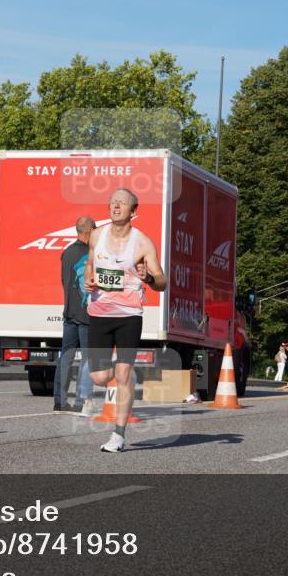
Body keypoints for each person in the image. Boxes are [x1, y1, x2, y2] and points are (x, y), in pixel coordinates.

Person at [85, 188, 166, 453]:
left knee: (122, 374)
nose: (115, 206)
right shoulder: (97, 235)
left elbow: (162, 282)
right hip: (99, 312)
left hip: (129, 315)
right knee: (99, 377)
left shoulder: (142, 243)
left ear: (134, 211)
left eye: (122, 203)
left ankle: (118, 435)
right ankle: (121, 377)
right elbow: (90, 264)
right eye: (112, 202)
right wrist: (88, 279)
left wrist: (148, 278)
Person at [53, 216, 96, 414]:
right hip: (87, 314)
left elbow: (64, 281)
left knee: (66, 357)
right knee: (88, 359)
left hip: (69, 311)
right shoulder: (91, 254)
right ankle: (81, 401)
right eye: (94, 231)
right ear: (88, 232)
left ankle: (60, 402)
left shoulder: (67, 252)